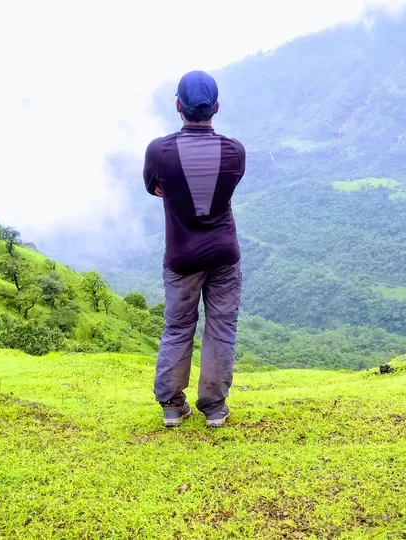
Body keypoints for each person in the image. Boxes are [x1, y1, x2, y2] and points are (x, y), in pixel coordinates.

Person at [143, 70, 246, 428]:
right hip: (223, 254)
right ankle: (215, 407)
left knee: (177, 327)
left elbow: (152, 185)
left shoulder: (160, 151)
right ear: (216, 107)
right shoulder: (235, 152)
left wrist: (172, 190)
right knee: (221, 328)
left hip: (181, 256)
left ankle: (172, 406)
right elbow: (226, 187)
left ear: (177, 106)